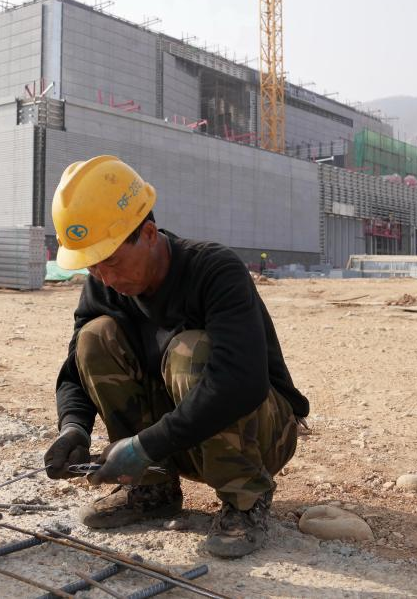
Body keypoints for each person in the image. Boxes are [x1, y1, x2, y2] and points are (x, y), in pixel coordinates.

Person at [42, 155, 309, 559]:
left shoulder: (213, 271)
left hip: (260, 435)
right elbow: (74, 372)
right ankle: (151, 489)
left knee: (191, 352)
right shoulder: (103, 286)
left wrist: (145, 445)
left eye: (111, 260)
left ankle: (244, 500)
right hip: (174, 441)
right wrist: (73, 427)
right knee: (93, 338)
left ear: (149, 234)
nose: (106, 277)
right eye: (93, 267)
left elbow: (240, 381)